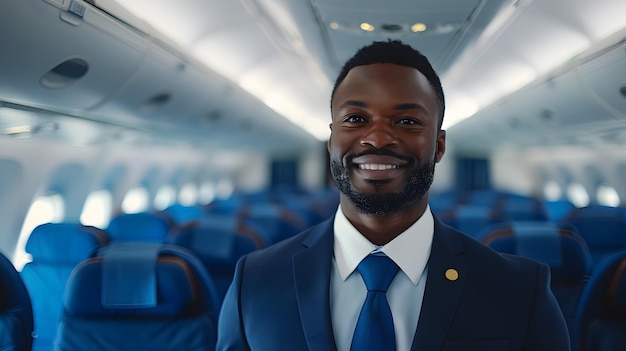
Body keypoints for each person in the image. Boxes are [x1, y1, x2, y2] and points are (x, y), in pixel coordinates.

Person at [217, 40, 570, 350]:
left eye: (407, 122)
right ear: (331, 141)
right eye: (355, 119)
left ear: (439, 145)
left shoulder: (519, 290)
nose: (378, 139)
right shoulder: (255, 281)